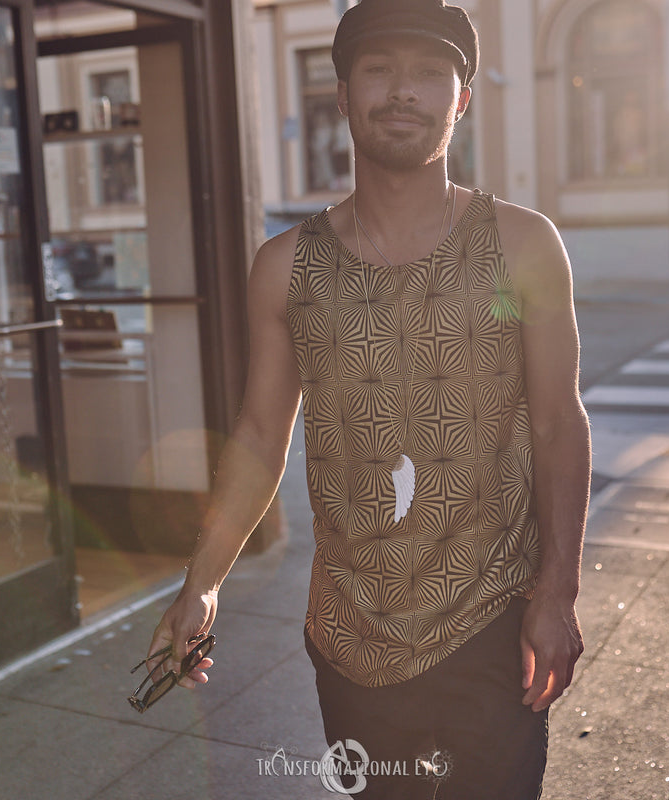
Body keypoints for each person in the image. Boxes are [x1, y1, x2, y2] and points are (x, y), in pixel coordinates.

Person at [146, 0, 591, 796]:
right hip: (349, 634)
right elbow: (257, 436)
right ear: (343, 94)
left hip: (491, 618)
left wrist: (557, 593)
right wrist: (202, 582)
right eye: (378, 70)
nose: (401, 92)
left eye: (428, 72)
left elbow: (560, 421)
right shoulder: (285, 267)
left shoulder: (522, 245)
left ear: (460, 97)